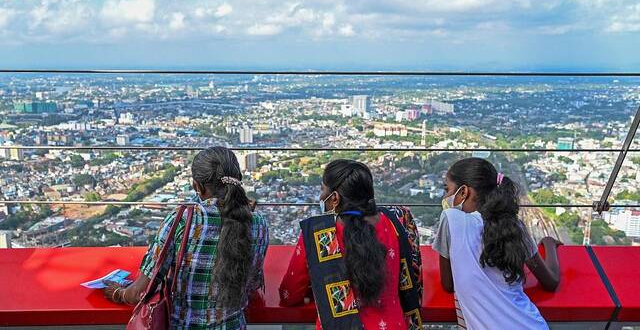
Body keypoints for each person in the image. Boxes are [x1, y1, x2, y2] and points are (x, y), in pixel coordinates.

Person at [103, 146, 269, 329]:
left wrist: (118, 292)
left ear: (197, 186)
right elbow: (252, 284)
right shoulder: (258, 223)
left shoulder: (183, 220)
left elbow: (138, 293)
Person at [279, 159, 423, 330]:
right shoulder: (395, 222)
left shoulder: (319, 233)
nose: (320, 196)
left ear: (334, 198)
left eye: (322, 189)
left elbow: (290, 294)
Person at [433, 158, 561, 330]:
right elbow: (551, 282)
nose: (446, 196)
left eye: (447, 189)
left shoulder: (451, 219)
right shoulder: (514, 227)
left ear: (463, 192)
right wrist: (550, 245)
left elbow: (448, 284)